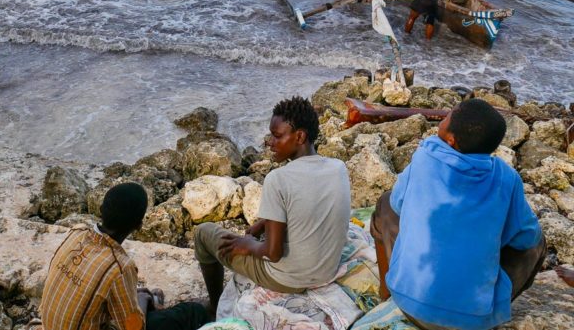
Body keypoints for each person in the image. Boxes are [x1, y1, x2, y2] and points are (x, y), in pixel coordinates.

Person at [371, 99, 546, 330]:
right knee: (538, 243)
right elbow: (527, 238)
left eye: (446, 118)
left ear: (451, 140)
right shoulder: (507, 178)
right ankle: (488, 305)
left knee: (385, 203)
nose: (441, 119)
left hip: (409, 305)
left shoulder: (425, 157)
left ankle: (386, 294)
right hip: (471, 321)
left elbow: (398, 203)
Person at [194, 96, 351, 316]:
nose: (269, 142)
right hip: (326, 271)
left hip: (287, 278)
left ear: (300, 136)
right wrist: (262, 223)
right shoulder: (338, 168)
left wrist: (248, 244)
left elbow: (272, 253)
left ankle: (213, 305)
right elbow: (306, 201)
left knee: (203, 233)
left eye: (277, 136)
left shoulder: (278, 179)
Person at [38, 182, 210, 330]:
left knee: (133, 298)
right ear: (139, 225)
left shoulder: (77, 232)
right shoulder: (119, 267)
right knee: (191, 312)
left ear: (100, 210)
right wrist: (141, 300)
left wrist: (133, 296)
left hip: (51, 324)